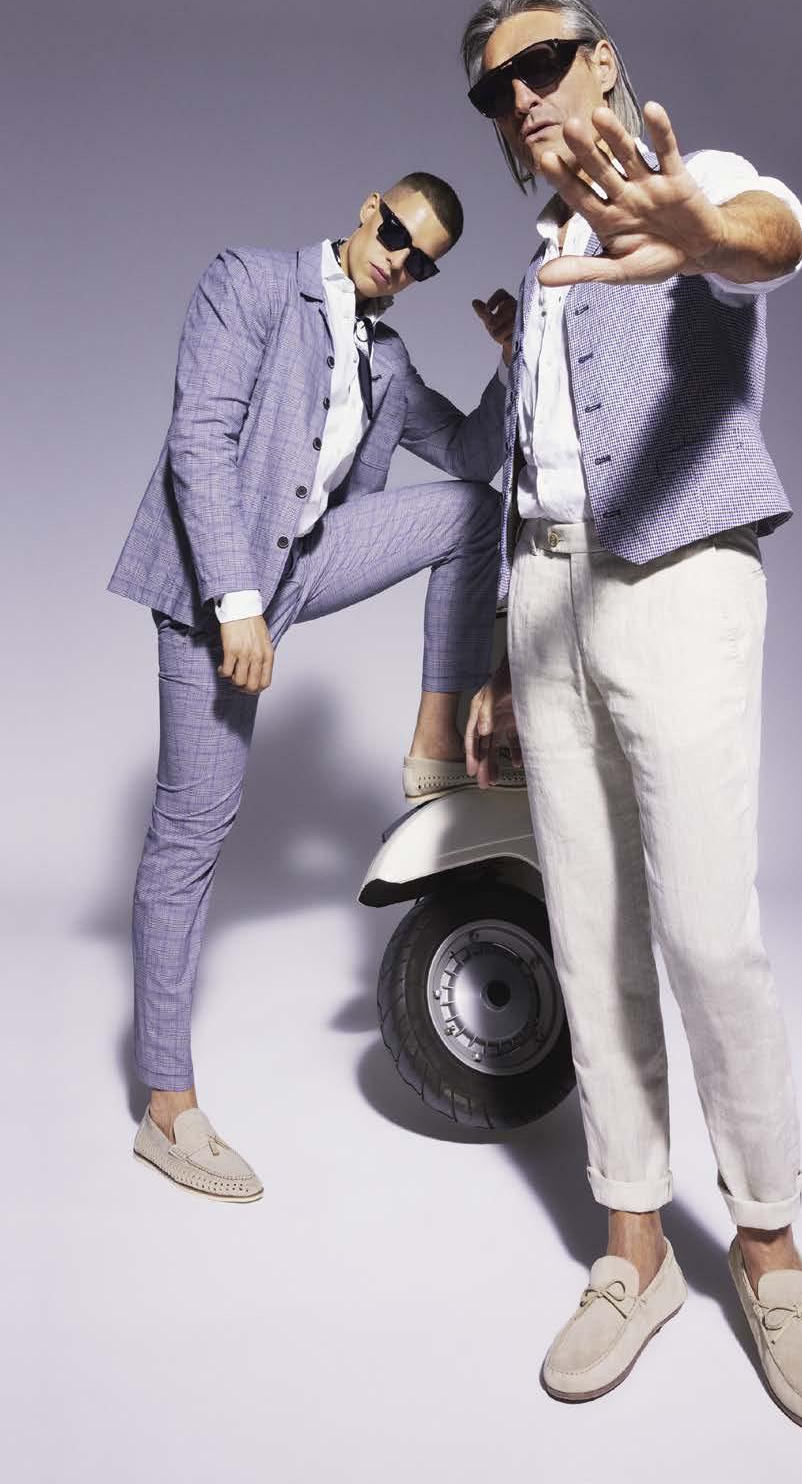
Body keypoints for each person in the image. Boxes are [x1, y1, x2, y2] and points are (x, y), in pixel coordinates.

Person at [460, 0, 802, 1429]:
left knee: (705, 932)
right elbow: (536, 474)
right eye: (495, 87)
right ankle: (634, 1247)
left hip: (678, 576)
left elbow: (770, 235)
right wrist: (499, 660)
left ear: (603, 59)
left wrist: (704, 234)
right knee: (588, 932)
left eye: (543, 62)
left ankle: (768, 1244)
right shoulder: (541, 264)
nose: (521, 96)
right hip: (546, 600)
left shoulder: (698, 185)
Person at [107, 173, 517, 1200]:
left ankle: (435, 742)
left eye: (422, 263)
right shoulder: (247, 283)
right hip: (215, 584)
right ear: (370, 206)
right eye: (396, 234)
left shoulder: (386, 356)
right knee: (192, 833)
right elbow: (198, 441)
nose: (399, 262)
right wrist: (234, 601)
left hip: (308, 561)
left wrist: (511, 362)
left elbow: (469, 454)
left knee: (470, 512)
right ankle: (166, 1106)